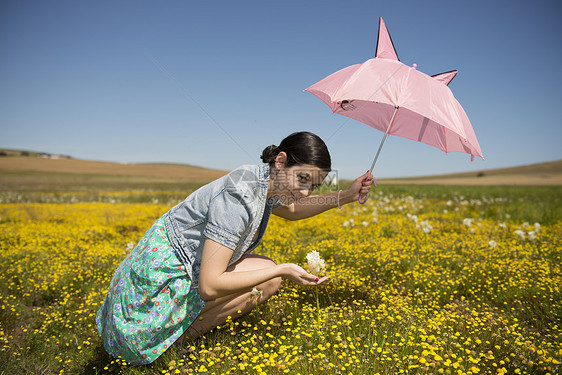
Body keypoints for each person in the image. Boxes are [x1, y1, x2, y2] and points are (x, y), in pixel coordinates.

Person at [96, 131, 374, 365]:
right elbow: (209, 286)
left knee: (267, 273)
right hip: (139, 318)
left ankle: (177, 333)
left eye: (312, 186)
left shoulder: (262, 180)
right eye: (302, 179)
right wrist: (285, 269)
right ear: (280, 161)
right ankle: (172, 342)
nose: (305, 192)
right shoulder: (238, 197)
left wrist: (347, 196)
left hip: (148, 295)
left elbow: (292, 210)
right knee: (270, 276)